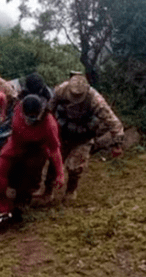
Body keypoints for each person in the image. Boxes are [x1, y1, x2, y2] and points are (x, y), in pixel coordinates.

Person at [44, 72, 125, 201]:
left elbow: (112, 121)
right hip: (62, 132)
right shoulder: (61, 90)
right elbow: (48, 110)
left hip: (83, 136)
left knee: (75, 166)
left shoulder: (95, 99)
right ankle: (47, 191)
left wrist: (117, 144)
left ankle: (71, 190)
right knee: (54, 162)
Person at [0, 94, 65, 225]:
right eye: (28, 115)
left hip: (36, 149)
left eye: (34, 116)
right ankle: (0, 209)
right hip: (16, 143)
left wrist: (60, 173)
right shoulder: (18, 108)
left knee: (29, 174)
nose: (30, 119)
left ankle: (20, 205)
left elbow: (54, 149)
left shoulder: (49, 123)